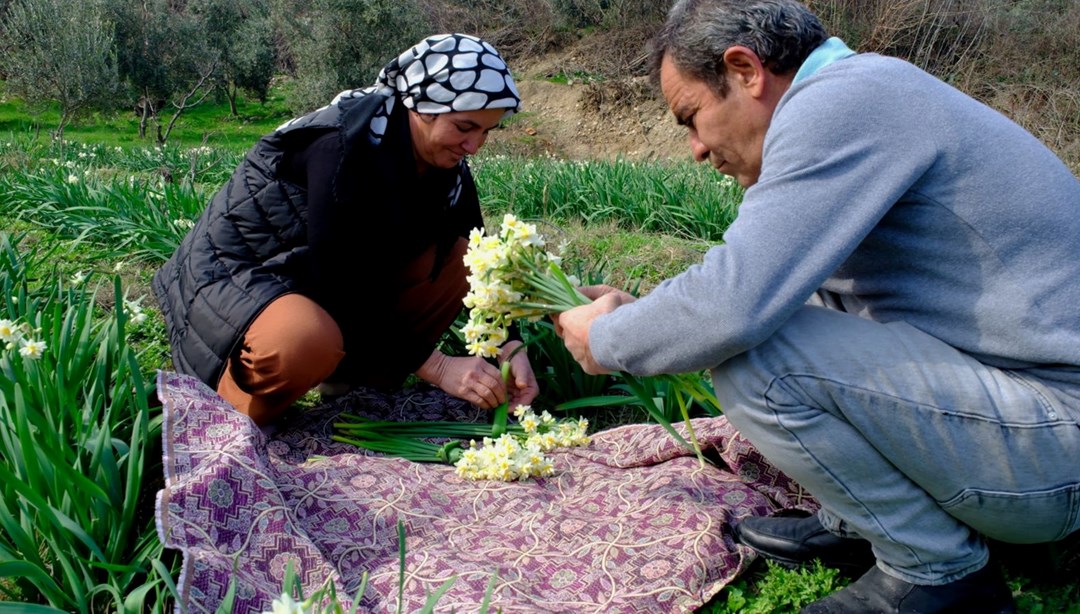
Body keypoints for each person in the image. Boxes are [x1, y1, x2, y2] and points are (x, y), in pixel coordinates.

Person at [552, 1, 1080, 612]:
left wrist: (608, 339)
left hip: (1056, 449)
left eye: (692, 117)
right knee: (799, 305)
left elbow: (734, 305)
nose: (696, 148)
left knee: (758, 357)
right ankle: (869, 521)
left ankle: (938, 573)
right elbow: (771, 282)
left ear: (745, 69)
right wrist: (641, 314)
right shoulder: (866, 90)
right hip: (1036, 425)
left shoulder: (846, 102)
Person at [153, 34, 538, 426]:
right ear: (422, 107)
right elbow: (336, 277)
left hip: (317, 281)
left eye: (486, 132)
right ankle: (234, 412)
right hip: (240, 277)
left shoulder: (446, 166)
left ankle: (355, 386)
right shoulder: (340, 145)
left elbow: (480, 260)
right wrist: (437, 366)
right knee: (303, 341)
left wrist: (509, 347)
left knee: (461, 258)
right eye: (464, 127)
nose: (474, 146)